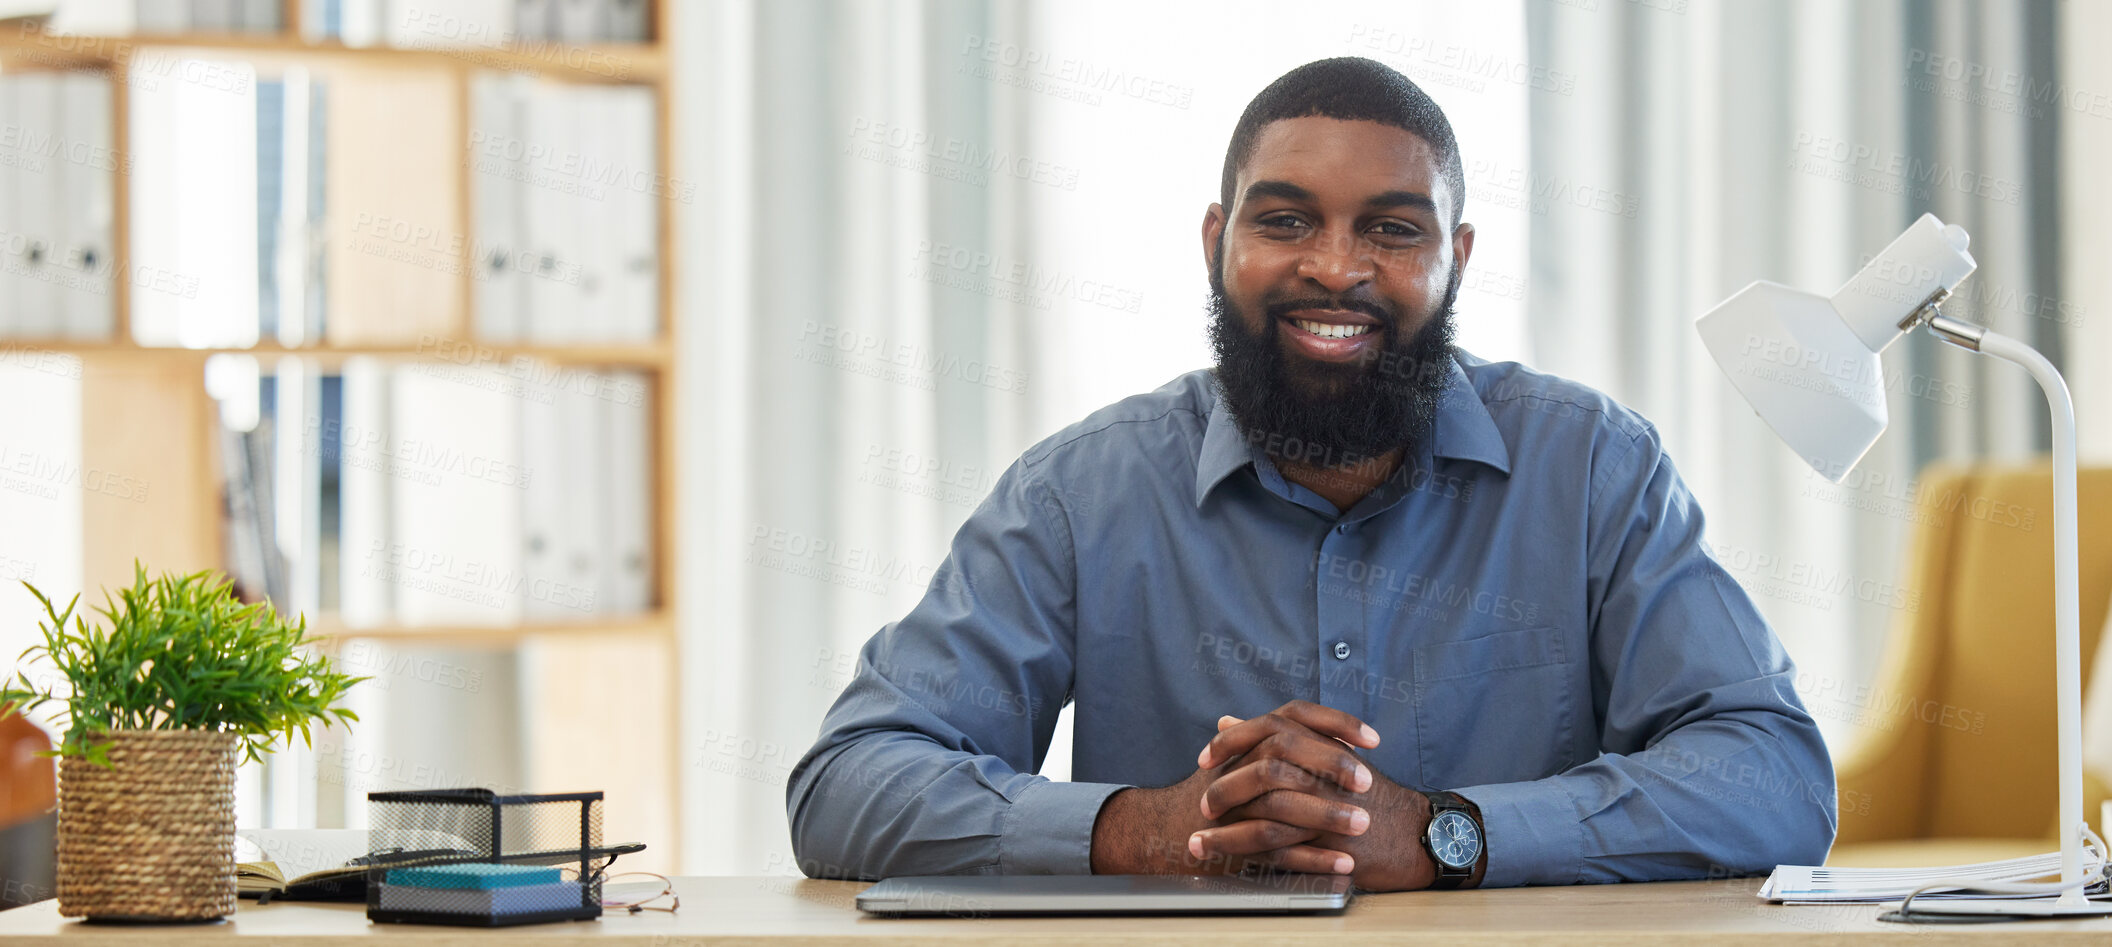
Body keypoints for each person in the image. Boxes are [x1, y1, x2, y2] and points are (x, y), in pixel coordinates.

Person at [785, 56, 1835, 891]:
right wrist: (1145, 826)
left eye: (1392, 227)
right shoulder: (1079, 492)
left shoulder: (1594, 466)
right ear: (1216, 240)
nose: (1335, 267)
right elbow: (847, 783)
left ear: (1456, 257)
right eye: (1285, 219)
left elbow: (1775, 776)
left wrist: (1447, 832)